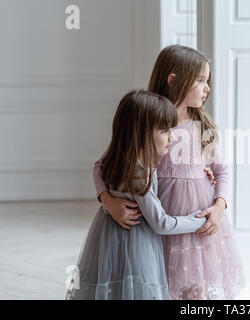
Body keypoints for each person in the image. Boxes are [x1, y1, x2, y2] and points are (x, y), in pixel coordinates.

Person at [66, 89, 209, 300]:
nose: (172, 137)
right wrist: (200, 220)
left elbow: (98, 166)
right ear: (140, 134)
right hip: (135, 245)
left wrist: (106, 199)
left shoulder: (119, 158)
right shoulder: (140, 174)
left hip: (107, 238)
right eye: (164, 131)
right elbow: (161, 223)